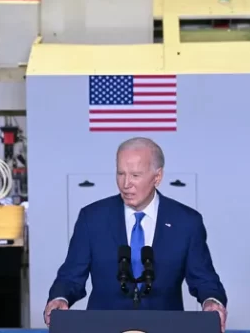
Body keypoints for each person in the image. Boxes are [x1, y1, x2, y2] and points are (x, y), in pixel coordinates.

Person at [44, 137, 228, 331]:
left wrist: (212, 301)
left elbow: (204, 279)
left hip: (165, 328)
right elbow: (71, 276)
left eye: (135, 175)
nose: (126, 184)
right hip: (103, 328)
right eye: (120, 173)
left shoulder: (186, 222)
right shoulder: (92, 218)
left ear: (157, 177)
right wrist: (59, 298)